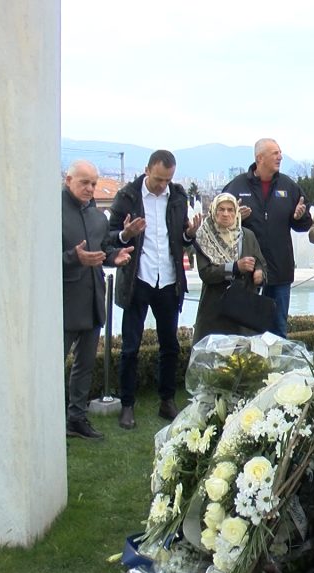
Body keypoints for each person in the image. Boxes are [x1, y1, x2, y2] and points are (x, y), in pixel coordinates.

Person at [109, 150, 202, 429]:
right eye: (159, 179)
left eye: (167, 180)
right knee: (130, 347)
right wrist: (126, 234)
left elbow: (180, 238)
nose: (162, 185)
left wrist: (189, 235)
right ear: (147, 170)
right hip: (138, 278)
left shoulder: (177, 197)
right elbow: (110, 237)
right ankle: (127, 404)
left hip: (169, 279)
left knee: (169, 345)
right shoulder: (127, 197)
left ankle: (167, 400)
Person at [61, 160, 134, 440]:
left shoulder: (97, 218)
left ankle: (76, 418)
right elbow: (39, 257)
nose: (91, 188)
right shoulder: (51, 212)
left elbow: (103, 250)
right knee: (53, 366)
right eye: (85, 183)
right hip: (63, 303)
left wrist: (115, 257)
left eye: (93, 183)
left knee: (85, 365)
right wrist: (74, 258)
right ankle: (48, 420)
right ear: (68, 180)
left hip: (93, 300)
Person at [223, 138, 313, 337]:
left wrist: (299, 217)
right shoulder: (236, 186)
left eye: (280, 152)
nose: (280, 157)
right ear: (259, 158)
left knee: (278, 330)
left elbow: (305, 225)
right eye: (275, 153)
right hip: (247, 274)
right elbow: (219, 225)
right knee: (245, 331)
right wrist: (236, 219)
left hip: (280, 271)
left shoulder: (289, 186)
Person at [191, 192, 267, 343]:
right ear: (214, 211)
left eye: (230, 210)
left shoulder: (247, 236)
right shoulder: (203, 238)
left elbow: (260, 262)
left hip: (243, 310)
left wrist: (260, 273)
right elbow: (206, 273)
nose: (226, 214)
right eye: (221, 209)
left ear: (236, 212)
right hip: (215, 310)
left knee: (243, 353)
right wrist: (234, 267)